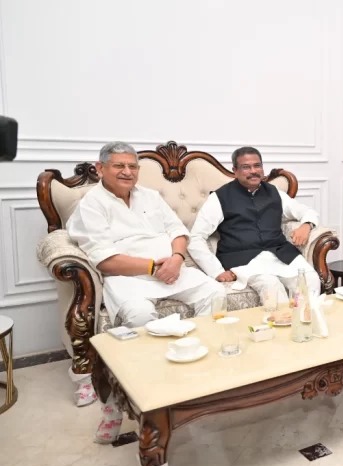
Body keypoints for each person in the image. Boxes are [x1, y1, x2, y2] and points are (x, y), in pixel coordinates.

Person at [67, 141, 224, 404]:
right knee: (138, 314)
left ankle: (198, 358)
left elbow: (178, 231)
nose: (127, 172)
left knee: (215, 293)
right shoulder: (91, 205)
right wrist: (152, 267)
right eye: (119, 166)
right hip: (127, 278)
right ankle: (153, 376)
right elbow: (104, 260)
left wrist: (176, 259)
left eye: (133, 166)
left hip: (173, 270)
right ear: (100, 168)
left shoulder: (150, 196)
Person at [188, 146, 321, 302]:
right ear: (235, 171)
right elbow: (196, 237)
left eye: (257, 166)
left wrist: (307, 225)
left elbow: (306, 211)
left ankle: (306, 318)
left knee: (310, 279)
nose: (253, 171)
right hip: (243, 259)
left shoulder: (274, 192)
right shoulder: (220, 197)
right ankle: (281, 319)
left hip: (280, 254)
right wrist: (216, 271)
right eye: (246, 167)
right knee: (271, 286)